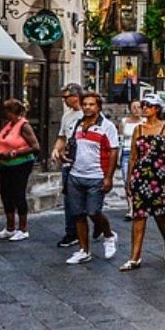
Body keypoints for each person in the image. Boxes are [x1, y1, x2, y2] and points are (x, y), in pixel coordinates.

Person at [119, 96, 165, 270]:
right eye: (143, 105)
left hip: (158, 177)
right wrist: (129, 179)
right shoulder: (139, 129)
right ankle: (135, 257)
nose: (144, 108)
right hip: (141, 176)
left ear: (157, 108)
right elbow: (133, 157)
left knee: (161, 215)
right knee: (139, 215)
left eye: (149, 106)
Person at [62, 93, 119, 265]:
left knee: (93, 212)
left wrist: (109, 177)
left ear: (98, 107)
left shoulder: (107, 126)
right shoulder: (77, 124)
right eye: (85, 104)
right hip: (75, 175)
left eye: (91, 104)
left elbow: (113, 151)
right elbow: (71, 144)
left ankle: (109, 235)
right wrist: (64, 154)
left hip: (96, 176)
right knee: (78, 214)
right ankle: (84, 250)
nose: (87, 107)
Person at [0, 99, 41, 241]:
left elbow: (36, 147)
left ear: (13, 112)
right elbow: (5, 143)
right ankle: (10, 227)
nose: (4, 114)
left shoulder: (24, 126)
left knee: (18, 193)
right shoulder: (8, 125)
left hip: (21, 164)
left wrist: (15, 153)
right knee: (5, 193)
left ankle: (23, 229)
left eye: (7, 112)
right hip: (5, 163)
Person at [50, 83, 87, 248]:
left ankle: (99, 225)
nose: (64, 100)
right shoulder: (67, 116)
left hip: (86, 163)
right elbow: (62, 136)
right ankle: (71, 232)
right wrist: (55, 150)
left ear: (76, 96)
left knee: (88, 203)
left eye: (66, 97)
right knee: (70, 200)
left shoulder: (88, 114)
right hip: (69, 163)